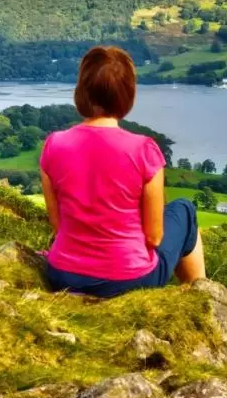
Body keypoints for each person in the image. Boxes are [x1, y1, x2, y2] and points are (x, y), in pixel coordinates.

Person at [40, 46, 206, 297]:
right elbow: (154, 237)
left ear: (81, 92)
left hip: (64, 275)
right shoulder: (144, 150)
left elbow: (58, 225)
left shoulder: (54, 145)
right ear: (128, 95)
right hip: (128, 280)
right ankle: (199, 298)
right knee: (184, 209)